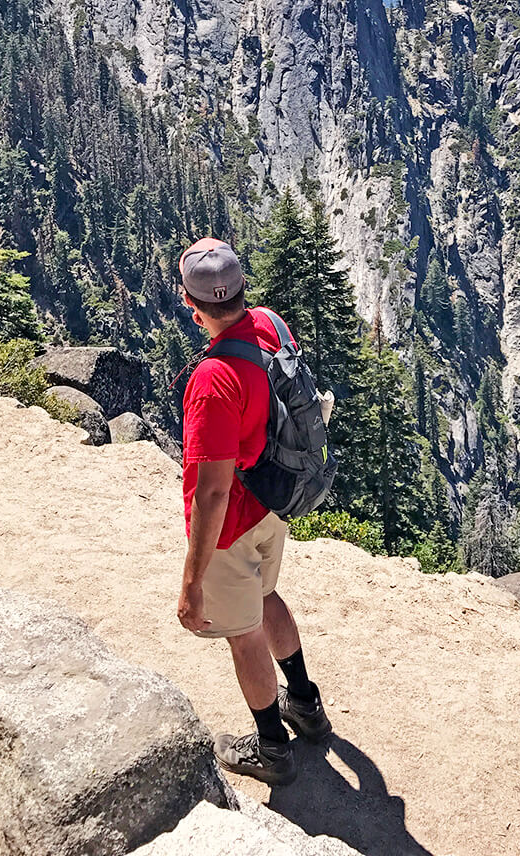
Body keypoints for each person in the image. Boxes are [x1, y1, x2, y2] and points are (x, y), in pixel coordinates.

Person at [175, 236, 331, 786]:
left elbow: (212, 492)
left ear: (192, 309)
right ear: (242, 290)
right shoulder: (269, 323)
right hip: (274, 503)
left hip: (233, 527)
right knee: (265, 599)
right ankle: (306, 705)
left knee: (243, 634)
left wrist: (193, 582)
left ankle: (273, 749)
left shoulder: (212, 381)